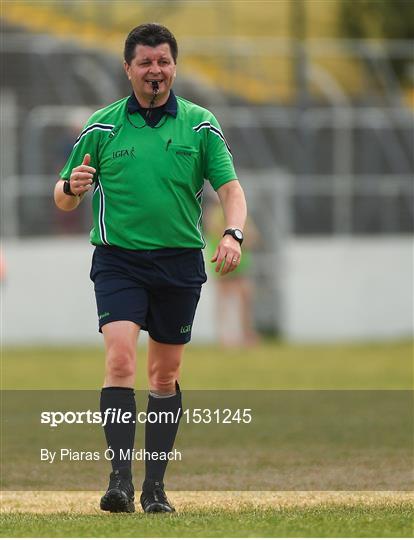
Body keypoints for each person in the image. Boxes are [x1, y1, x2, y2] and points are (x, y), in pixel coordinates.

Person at [54, 23, 247, 514]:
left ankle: (154, 488)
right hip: (118, 260)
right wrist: (73, 187)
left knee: (164, 375)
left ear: (173, 67)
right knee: (120, 359)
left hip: (180, 262)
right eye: (145, 62)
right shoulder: (101, 126)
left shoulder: (201, 125)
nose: (155, 70)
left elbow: (230, 190)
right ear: (128, 69)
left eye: (163, 61)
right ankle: (119, 481)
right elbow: (60, 196)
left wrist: (232, 232)